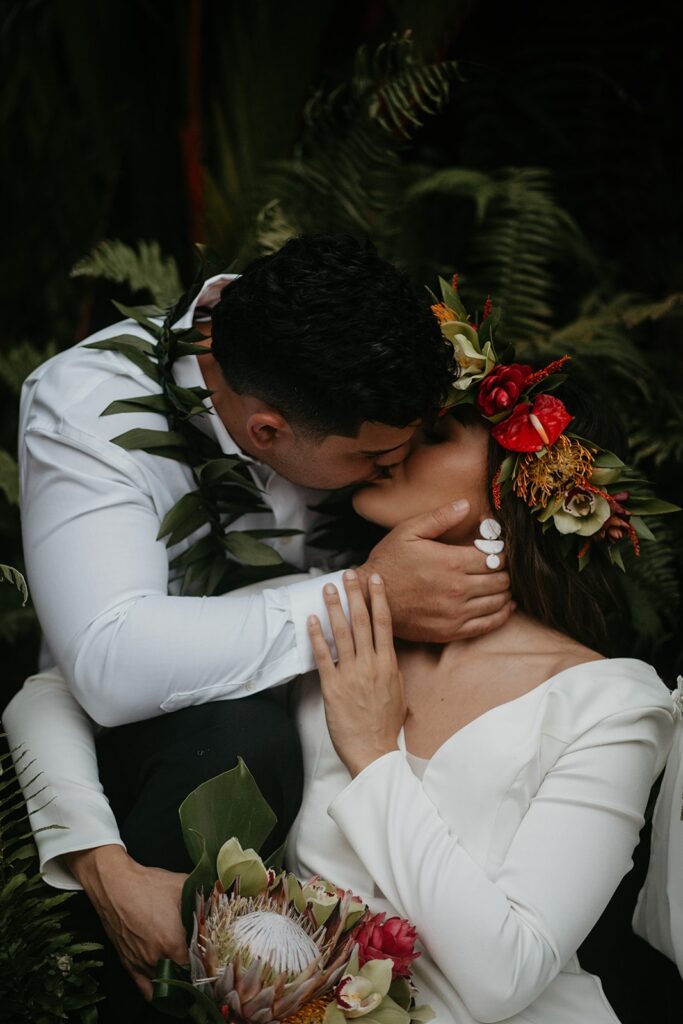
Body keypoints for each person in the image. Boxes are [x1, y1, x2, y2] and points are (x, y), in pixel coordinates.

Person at [6, 293, 678, 1021]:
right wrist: (104, 869)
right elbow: (48, 696)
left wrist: (372, 755)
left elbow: (504, 977)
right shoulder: (339, 611)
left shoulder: (609, 701)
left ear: (518, 490)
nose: (398, 440)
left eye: (439, 430)